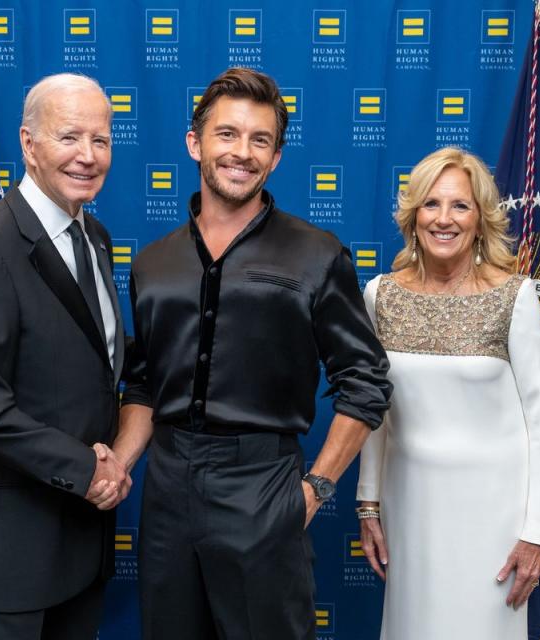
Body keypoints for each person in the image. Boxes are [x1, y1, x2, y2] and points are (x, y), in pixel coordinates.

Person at [108, 67, 393, 640]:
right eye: (227, 134)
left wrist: (316, 489)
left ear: (277, 157)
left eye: (259, 140)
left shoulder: (316, 254)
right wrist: (119, 463)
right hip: (166, 489)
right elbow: (142, 384)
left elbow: (366, 382)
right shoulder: (152, 263)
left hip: (263, 482)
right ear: (195, 143)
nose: (242, 152)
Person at [0, 73, 128, 640]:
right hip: (15, 551)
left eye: (101, 140)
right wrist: (85, 469)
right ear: (28, 144)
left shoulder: (95, 237)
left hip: (83, 542)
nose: (88, 156)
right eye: (70, 137)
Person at [356, 147, 540, 639]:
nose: (444, 219)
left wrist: (537, 532)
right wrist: (369, 505)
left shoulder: (516, 295)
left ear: (480, 220)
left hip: (496, 520)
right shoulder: (379, 295)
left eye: (460, 206)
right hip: (412, 511)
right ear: (413, 216)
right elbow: (371, 413)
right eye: (431, 204)